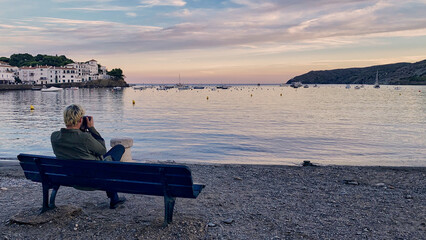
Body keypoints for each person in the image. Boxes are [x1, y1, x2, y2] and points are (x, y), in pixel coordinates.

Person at [51, 104, 126, 209]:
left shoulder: (54, 136)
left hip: (70, 178)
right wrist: (91, 129)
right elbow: (102, 149)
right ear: (81, 119)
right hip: (93, 179)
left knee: (105, 163)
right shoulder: (85, 138)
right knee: (119, 149)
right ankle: (114, 198)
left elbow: (74, 143)